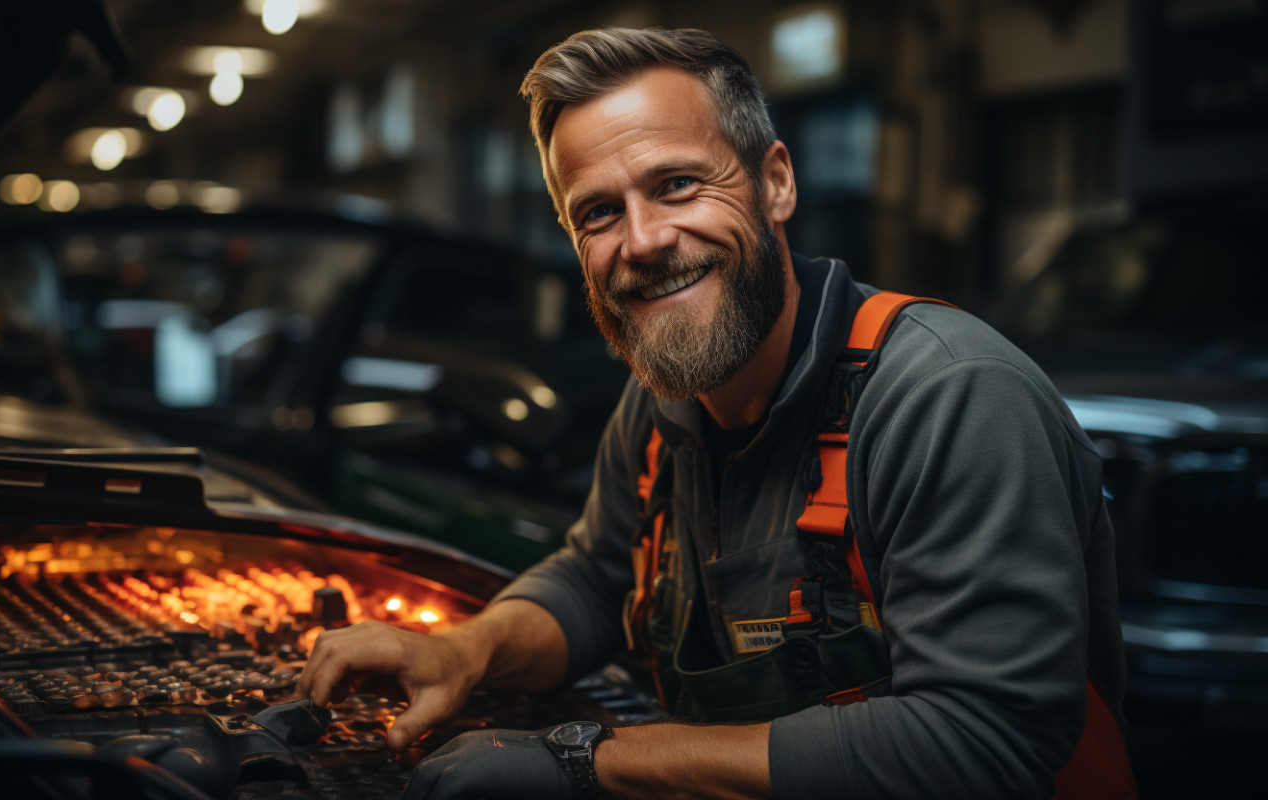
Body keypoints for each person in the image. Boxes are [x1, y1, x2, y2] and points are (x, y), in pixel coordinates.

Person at [297, 27, 1132, 800]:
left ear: (775, 181)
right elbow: (595, 579)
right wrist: (465, 650)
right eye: (598, 212)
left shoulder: (950, 396)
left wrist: (593, 761)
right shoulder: (664, 397)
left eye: (678, 185)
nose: (645, 240)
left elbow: (985, 742)